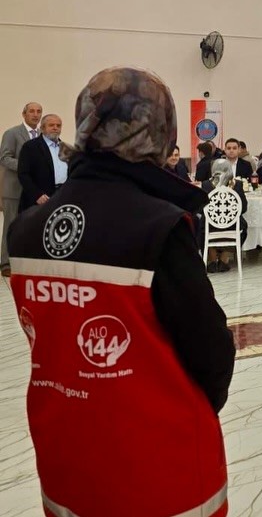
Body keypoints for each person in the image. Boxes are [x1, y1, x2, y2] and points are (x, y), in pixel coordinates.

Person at [7, 66, 233, 516]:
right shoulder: (158, 224)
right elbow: (211, 351)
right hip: (155, 460)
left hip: (64, 448)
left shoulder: (26, 228)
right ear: (159, 130)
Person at [0, 101, 42, 276]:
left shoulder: (42, 135)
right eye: (31, 111)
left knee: (30, 227)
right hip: (14, 189)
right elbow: (4, 158)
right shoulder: (12, 133)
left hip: (33, 190)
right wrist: (27, 166)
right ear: (24, 114)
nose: (35, 114)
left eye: (38, 111)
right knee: (11, 226)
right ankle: (6, 263)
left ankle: (24, 261)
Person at [201, 158, 248, 273]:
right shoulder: (237, 184)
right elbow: (243, 208)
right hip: (232, 225)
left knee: (201, 225)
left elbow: (202, 207)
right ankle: (224, 259)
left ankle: (212, 260)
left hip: (211, 226)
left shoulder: (206, 185)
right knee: (243, 227)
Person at [17, 114, 68, 212]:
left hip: (61, 198)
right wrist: (37, 195)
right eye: (51, 125)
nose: (55, 128)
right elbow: (23, 174)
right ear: (42, 128)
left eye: (58, 125)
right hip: (39, 200)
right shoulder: (30, 147)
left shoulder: (65, 148)